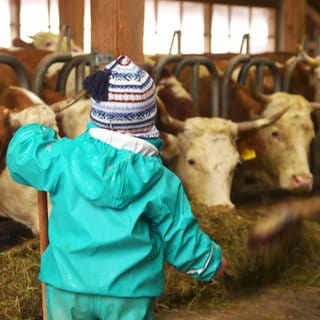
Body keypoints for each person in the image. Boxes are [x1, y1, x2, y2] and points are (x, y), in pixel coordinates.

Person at [6, 55, 227, 320]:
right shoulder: (161, 180)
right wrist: (209, 262)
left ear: (97, 112)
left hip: (66, 283)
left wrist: (36, 130)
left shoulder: (63, 157)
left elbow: (20, 158)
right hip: (130, 292)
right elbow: (178, 233)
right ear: (148, 119)